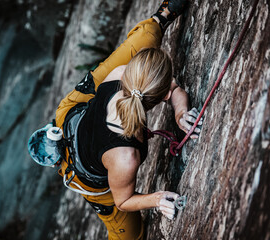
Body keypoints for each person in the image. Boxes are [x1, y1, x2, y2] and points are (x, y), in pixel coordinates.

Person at [39, 0, 202, 239]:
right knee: (129, 237)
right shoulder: (126, 157)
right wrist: (156, 199)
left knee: (144, 40)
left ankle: (160, 18)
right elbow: (123, 200)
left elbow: (174, 89)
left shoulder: (121, 74)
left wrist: (180, 112)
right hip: (83, 170)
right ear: (158, 98)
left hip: (71, 114)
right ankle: (158, 20)